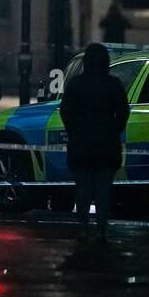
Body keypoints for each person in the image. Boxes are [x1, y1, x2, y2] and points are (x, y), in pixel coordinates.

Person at [60, 43, 130, 243]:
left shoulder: (75, 84)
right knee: (103, 188)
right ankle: (101, 228)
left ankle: (83, 227)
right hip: (107, 144)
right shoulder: (113, 84)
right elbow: (123, 112)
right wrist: (113, 129)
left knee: (82, 188)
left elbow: (66, 112)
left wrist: (74, 131)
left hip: (81, 144)